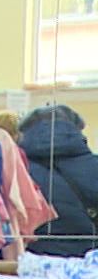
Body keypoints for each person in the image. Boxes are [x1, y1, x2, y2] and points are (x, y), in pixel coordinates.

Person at [20, 104, 98, 250]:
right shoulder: (94, 165)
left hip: (31, 261)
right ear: (77, 129)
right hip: (90, 262)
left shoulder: (16, 168)